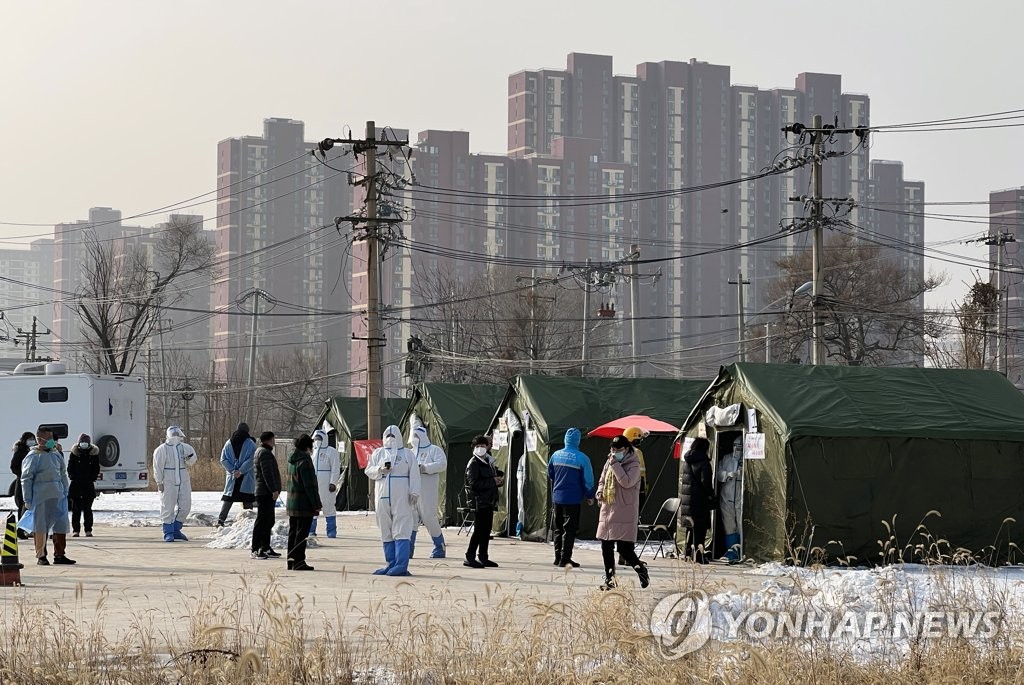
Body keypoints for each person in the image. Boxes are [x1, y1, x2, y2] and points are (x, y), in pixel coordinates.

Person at [364, 424, 421, 576]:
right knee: (385, 527)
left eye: (393, 436)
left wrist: (414, 492)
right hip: (382, 493)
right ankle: (391, 563)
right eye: (387, 436)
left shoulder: (407, 454)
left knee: (401, 527)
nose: (390, 439)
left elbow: (415, 473)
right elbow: (368, 469)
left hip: (402, 495)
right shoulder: (378, 453)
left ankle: (402, 564)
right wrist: (380, 470)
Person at [595, 435, 650, 590]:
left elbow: (626, 482)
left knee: (624, 549)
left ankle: (641, 570)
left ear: (626, 449)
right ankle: (610, 580)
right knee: (606, 546)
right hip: (609, 508)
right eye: (612, 449)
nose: (614, 452)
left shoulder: (634, 464)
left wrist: (614, 464)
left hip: (624, 511)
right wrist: (599, 492)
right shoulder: (610, 461)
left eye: (618, 450)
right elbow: (602, 479)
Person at [20, 427, 75, 565]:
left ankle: (60, 554)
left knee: (60, 525)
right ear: (40, 440)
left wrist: (65, 491)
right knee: (41, 526)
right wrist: (27, 499)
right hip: (41, 496)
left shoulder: (55, 454)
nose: (52, 442)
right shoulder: (33, 456)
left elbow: (62, 473)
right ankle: (41, 556)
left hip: (58, 495)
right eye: (49, 439)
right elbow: (26, 478)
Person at [546, 427, 595, 568]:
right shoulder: (582, 458)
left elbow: (550, 473)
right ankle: (565, 558)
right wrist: (590, 495)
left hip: (557, 498)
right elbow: (588, 480)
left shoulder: (555, 455)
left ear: (565, 439)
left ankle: (557, 557)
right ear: (578, 441)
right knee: (569, 530)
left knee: (558, 528)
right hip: (573, 499)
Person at [152, 426, 198, 542]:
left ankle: (176, 529)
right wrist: (159, 482)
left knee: (186, 505)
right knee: (168, 506)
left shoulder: (185, 448)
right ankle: (168, 532)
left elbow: (192, 461)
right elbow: (157, 467)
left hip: (183, 479)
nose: (176, 435)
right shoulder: (161, 450)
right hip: (168, 480)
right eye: (174, 433)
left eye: (178, 433)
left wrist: (189, 459)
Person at [463, 435, 502, 569]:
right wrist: (492, 481)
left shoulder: (488, 461)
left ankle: (483, 556)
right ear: (473, 448)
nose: (480, 448)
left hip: (488, 501)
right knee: (479, 530)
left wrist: (497, 480)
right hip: (478, 501)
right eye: (478, 446)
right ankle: (470, 556)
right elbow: (473, 484)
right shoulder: (473, 463)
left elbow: (490, 477)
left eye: (483, 446)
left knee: (486, 530)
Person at [410, 425, 448, 559]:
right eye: (413, 436)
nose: (414, 439)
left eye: (416, 436)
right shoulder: (410, 452)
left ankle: (439, 546)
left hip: (428, 490)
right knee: (411, 518)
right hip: (412, 490)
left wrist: (425, 467)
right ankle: (408, 549)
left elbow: (442, 464)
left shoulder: (434, 450)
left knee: (428, 517)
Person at [286, 433, 321, 571]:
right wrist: (316, 504)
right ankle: (299, 561)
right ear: (308, 446)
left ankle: (291, 561)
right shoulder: (305, 460)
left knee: (293, 532)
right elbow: (310, 486)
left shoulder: (291, 460)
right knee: (302, 534)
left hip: (292, 503)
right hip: (304, 504)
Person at [679, 437, 714, 564]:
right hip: (700, 500)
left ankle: (688, 554)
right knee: (700, 529)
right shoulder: (704, 462)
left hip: (687, 500)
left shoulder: (687, 460)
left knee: (690, 528)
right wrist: (712, 495)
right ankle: (698, 556)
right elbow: (706, 483)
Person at [217, 422, 256, 527]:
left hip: (232, 477)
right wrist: (241, 471)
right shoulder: (250, 443)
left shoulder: (228, 443)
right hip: (246, 477)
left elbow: (223, 459)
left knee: (228, 499)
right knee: (247, 499)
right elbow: (252, 460)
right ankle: (248, 522)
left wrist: (233, 470)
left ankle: (221, 520)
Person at [251, 431, 282, 560]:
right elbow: (267, 473)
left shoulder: (262, 451)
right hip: (265, 492)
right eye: (274, 439)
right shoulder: (264, 453)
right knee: (262, 521)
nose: (274, 441)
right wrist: (273, 490)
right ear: (269, 440)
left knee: (269, 520)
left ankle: (265, 547)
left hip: (265, 491)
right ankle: (256, 548)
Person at [308, 429, 342, 539]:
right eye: (316, 439)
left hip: (326, 484)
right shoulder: (312, 452)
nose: (317, 441)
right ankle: (311, 530)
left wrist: (333, 482)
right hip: (314, 484)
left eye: (319, 438)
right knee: (313, 507)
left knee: (328, 506)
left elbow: (335, 469)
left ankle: (331, 531)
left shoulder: (331, 452)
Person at [67, 433, 101, 538]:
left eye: (86, 442)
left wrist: (92, 478)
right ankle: (76, 530)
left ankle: (88, 530)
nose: (84, 444)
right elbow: (70, 467)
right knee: (76, 509)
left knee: (87, 509)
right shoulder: (74, 454)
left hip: (88, 485)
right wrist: (72, 476)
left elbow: (96, 468)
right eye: (82, 442)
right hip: (76, 485)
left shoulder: (93, 454)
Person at [717, 435, 744, 562]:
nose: (736, 449)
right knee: (728, 525)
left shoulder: (747, 460)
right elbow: (717, 473)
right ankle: (731, 551)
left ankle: (741, 550)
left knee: (740, 525)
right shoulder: (726, 458)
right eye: (735, 446)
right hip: (726, 497)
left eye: (739, 447)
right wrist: (727, 475)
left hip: (740, 498)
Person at [10, 431, 35, 539]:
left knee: (32, 507)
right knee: (23, 506)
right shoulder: (20, 451)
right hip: (22, 482)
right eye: (29, 439)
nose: (31, 441)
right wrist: (23, 475)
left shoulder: (34, 451)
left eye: (33, 439)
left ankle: (29, 529)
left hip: (33, 482)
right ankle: (20, 530)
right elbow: (13, 466)